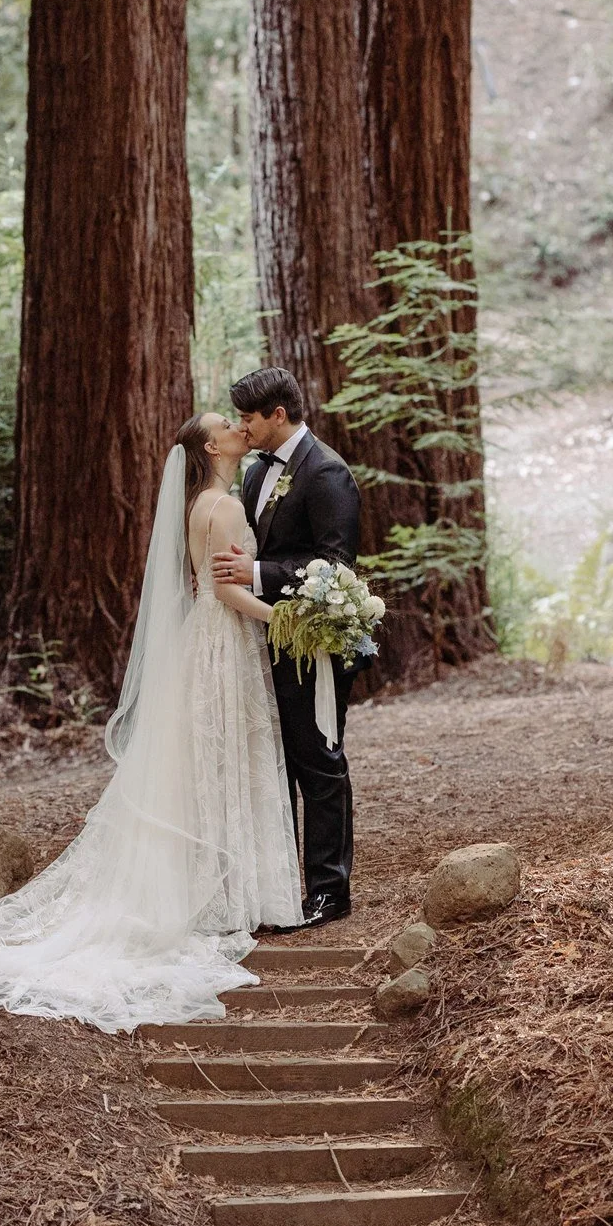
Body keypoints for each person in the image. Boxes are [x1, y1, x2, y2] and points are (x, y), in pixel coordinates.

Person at [0, 414, 302, 1033]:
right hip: (224, 643)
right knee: (224, 756)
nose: (237, 427)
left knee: (210, 760)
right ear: (209, 446)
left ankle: (225, 889)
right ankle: (225, 893)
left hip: (212, 643)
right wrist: (290, 621)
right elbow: (226, 592)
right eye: (227, 425)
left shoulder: (204, 501)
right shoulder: (219, 506)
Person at [211, 366, 362, 928]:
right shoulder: (254, 474)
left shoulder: (327, 474)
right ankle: (278, 888)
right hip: (263, 638)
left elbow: (335, 566)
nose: (243, 428)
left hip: (313, 643)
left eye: (250, 417)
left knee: (317, 762)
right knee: (273, 764)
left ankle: (330, 890)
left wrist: (256, 571)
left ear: (279, 414)